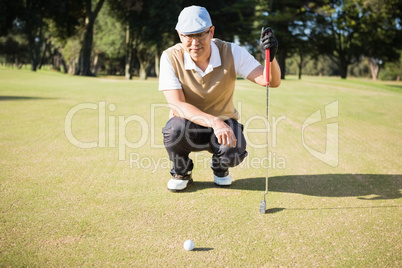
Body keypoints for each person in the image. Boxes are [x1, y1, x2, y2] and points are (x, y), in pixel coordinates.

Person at [159, 5, 281, 191]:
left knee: (234, 151)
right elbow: (177, 104)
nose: (194, 42)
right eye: (188, 36)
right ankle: (181, 170)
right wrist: (214, 121)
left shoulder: (232, 51)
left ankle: (220, 167)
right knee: (173, 130)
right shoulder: (170, 57)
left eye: (200, 34)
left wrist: (271, 58)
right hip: (188, 125)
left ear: (211, 31)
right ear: (179, 34)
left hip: (224, 123)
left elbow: (270, 81)